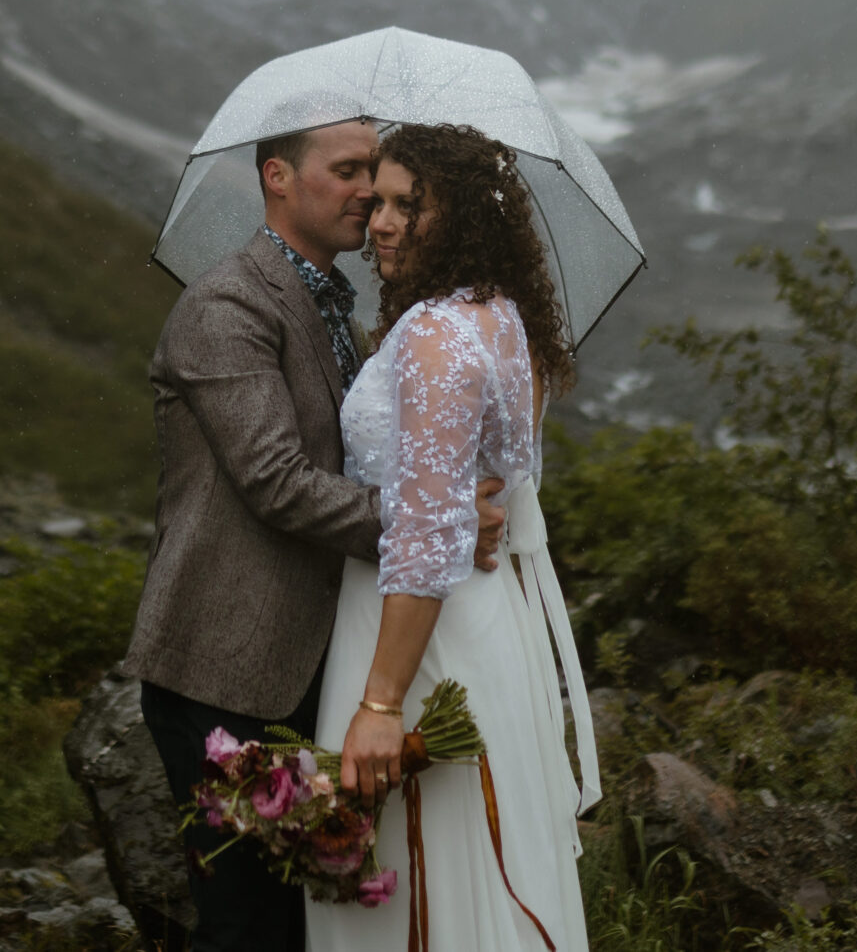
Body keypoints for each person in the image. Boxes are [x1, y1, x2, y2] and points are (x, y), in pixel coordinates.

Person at [121, 116, 506, 952]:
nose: (368, 189)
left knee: (304, 922)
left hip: (304, 662)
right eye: (348, 168)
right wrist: (433, 520)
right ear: (278, 177)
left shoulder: (337, 303)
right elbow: (277, 482)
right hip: (222, 666)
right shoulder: (226, 303)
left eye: (376, 170)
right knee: (244, 926)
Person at [309, 121, 599, 952]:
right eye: (382, 200)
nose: (383, 220)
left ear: (463, 217)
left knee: (416, 883)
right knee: (472, 873)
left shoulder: (437, 333)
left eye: (411, 205)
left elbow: (434, 531)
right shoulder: (504, 317)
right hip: (485, 627)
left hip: (415, 634)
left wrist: (380, 704)